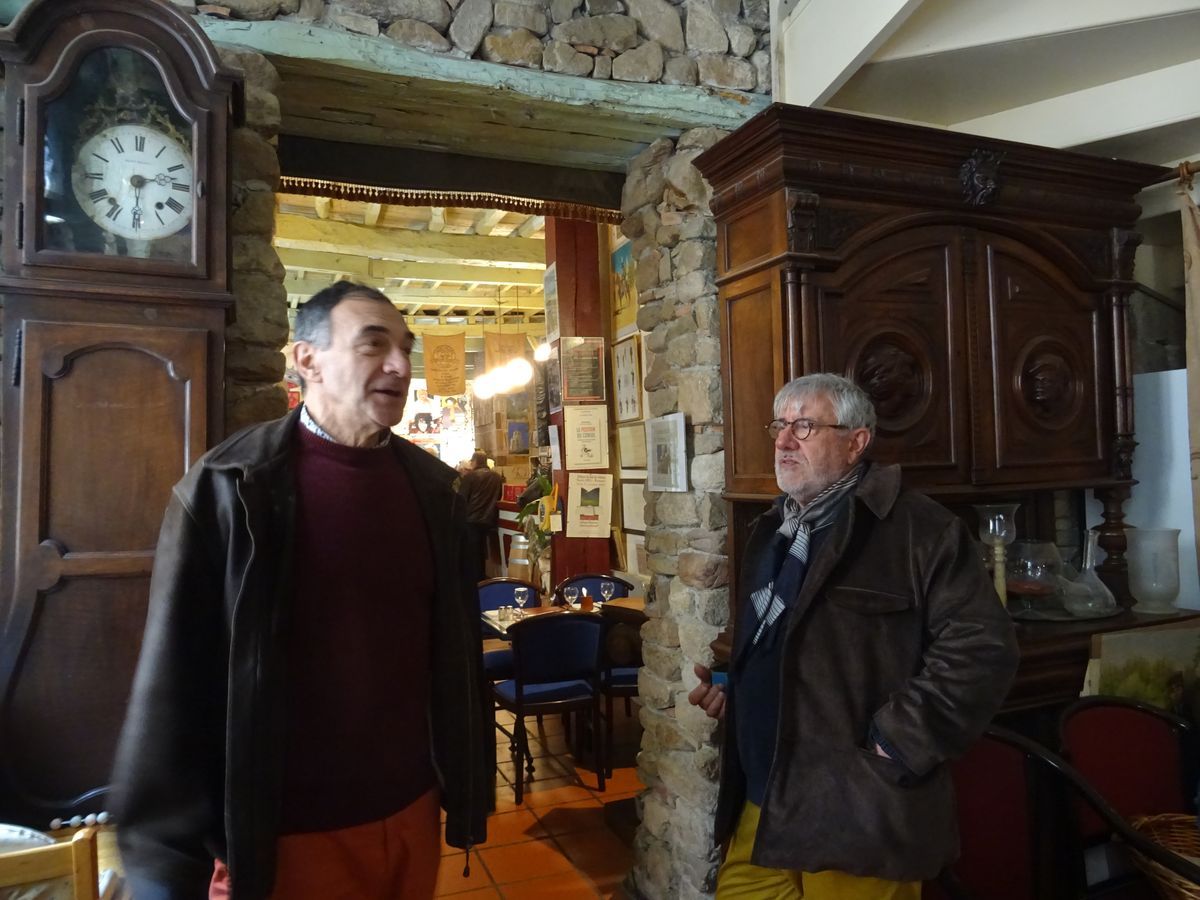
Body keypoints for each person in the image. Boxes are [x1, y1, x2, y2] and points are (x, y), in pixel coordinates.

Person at [112, 281, 489, 900]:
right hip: (284, 830)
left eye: (405, 347)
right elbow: (174, 678)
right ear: (307, 359)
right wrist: (167, 865)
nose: (400, 365)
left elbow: (454, 658)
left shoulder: (436, 493)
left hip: (413, 809)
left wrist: (464, 790)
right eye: (373, 345)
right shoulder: (230, 486)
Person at [689, 372, 1018, 899]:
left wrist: (898, 742)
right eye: (779, 425)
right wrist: (738, 688)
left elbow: (984, 650)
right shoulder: (774, 530)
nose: (783, 440)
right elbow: (790, 641)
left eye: (804, 426)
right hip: (764, 799)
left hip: (856, 808)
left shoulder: (919, 530)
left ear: (856, 442)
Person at [457, 450, 504, 586]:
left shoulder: (470, 477)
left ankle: (475, 583)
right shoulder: (497, 477)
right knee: (482, 552)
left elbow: (461, 498)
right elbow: (499, 497)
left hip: (471, 520)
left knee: (472, 554)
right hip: (489, 520)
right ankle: (483, 581)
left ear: (475, 462)